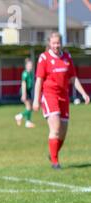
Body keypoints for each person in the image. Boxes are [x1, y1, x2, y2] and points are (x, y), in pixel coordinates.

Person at [33, 32, 90, 169]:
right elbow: (39, 80)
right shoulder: (44, 58)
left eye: (58, 43)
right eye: (53, 43)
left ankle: (53, 153)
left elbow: (73, 78)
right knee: (56, 128)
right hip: (49, 95)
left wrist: (84, 94)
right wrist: (36, 99)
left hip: (64, 96)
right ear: (49, 44)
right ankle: (55, 162)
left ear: (61, 43)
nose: (56, 46)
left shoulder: (67, 57)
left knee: (63, 132)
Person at [15, 58, 35, 128]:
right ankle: (19, 116)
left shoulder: (31, 73)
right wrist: (24, 94)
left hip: (28, 91)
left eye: (31, 65)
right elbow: (23, 84)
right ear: (26, 66)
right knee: (29, 107)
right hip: (25, 91)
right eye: (29, 65)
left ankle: (27, 122)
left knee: (29, 107)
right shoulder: (25, 74)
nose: (30, 67)